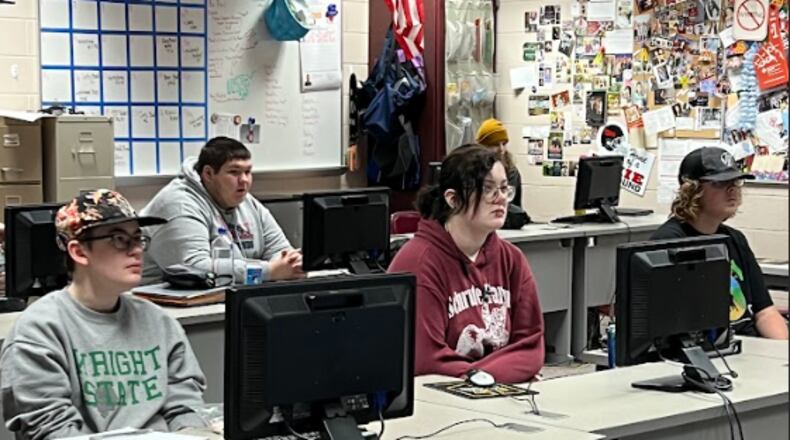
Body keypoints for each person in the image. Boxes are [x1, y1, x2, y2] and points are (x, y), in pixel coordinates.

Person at [0, 189, 208, 439]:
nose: (137, 250)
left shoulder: (160, 322)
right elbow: (53, 429)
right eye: (119, 239)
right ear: (78, 252)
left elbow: (185, 407)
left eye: (138, 238)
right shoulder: (38, 331)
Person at [388, 145, 545, 384]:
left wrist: (483, 376)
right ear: (453, 198)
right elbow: (425, 361)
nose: (500, 198)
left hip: (493, 392)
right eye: (487, 189)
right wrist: (494, 373)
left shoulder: (511, 259)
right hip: (438, 401)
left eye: (504, 188)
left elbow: (531, 346)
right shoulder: (419, 264)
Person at [651, 147, 788, 340]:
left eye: (735, 181)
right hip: (709, 351)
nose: (732, 189)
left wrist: (781, 352)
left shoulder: (735, 239)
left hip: (748, 347)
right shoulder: (669, 242)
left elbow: (765, 312)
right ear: (692, 189)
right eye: (720, 183)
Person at [141, 137, 302, 284]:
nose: (244, 180)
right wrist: (268, 272)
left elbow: (281, 253)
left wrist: (290, 266)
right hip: (164, 304)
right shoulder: (178, 204)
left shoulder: (247, 202)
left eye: (247, 172)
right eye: (234, 172)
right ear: (209, 174)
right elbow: (195, 268)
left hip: (224, 297)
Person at [475, 119, 523, 207]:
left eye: (504, 144)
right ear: (483, 147)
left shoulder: (511, 172)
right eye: (496, 144)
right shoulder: (471, 171)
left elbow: (511, 205)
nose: (501, 149)